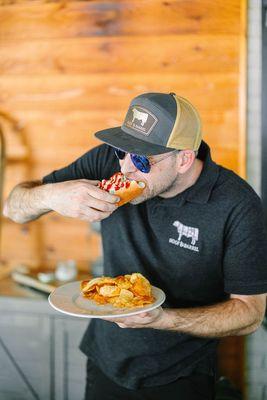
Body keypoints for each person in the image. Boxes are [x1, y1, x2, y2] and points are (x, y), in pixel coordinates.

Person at [4, 92, 267, 400]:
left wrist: (164, 320)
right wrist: (50, 196)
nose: (126, 169)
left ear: (183, 159)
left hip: (182, 374)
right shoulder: (106, 162)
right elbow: (13, 208)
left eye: (142, 159)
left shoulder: (237, 204)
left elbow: (250, 313)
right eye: (121, 150)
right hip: (105, 361)